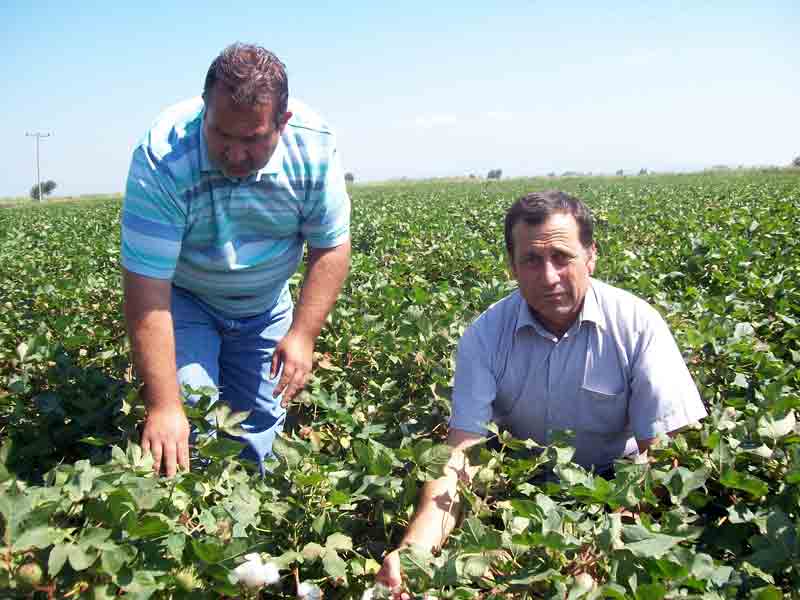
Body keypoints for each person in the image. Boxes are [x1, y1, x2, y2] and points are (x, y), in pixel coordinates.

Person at [377, 190, 706, 590]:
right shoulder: (484, 337)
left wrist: (607, 537)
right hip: (519, 495)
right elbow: (461, 453)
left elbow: (663, 453)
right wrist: (415, 551)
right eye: (531, 260)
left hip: (616, 492)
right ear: (512, 267)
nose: (548, 277)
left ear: (591, 256)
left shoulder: (637, 325)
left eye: (562, 257)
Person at [121, 43, 351, 477]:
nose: (234, 154)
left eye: (251, 139)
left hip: (265, 303)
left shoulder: (314, 149)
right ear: (205, 109)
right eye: (220, 135)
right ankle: (194, 527)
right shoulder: (163, 156)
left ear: (282, 123)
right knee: (193, 416)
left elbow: (331, 246)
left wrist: (302, 335)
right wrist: (164, 405)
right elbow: (147, 288)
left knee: (259, 425)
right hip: (185, 299)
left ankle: (244, 531)